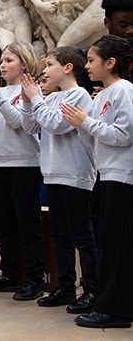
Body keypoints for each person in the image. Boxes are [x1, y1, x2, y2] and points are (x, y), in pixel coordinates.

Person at [20, 46, 98, 314]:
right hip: (53, 173)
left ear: (67, 68)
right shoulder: (51, 97)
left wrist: (37, 100)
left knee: (82, 236)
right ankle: (65, 286)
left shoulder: (80, 95)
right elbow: (31, 127)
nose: (44, 71)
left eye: (50, 64)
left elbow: (56, 124)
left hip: (75, 174)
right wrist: (29, 100)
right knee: (60, 235)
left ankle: (91, 290)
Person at [62, 35, 133, 329]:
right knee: (107, 242)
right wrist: (80, 124)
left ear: (111, 62)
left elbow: (124, 135)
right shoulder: (102, 94)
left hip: (122, 176)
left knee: (117, 245)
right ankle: (107, 302)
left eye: (91, 60)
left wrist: (87, 122)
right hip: (106, 173)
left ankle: (115, 311)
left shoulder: (124, 90)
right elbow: (94, 139)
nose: (87, 66)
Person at [0, 41, 44, 301]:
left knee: (27, 223)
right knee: (3, 224)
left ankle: (34, 278)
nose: (3, 65)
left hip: (24, 164)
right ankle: (9, 273)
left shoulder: (30, 90)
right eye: (2, 60)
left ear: (24, 63)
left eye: (9, 60)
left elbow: (21, 124)